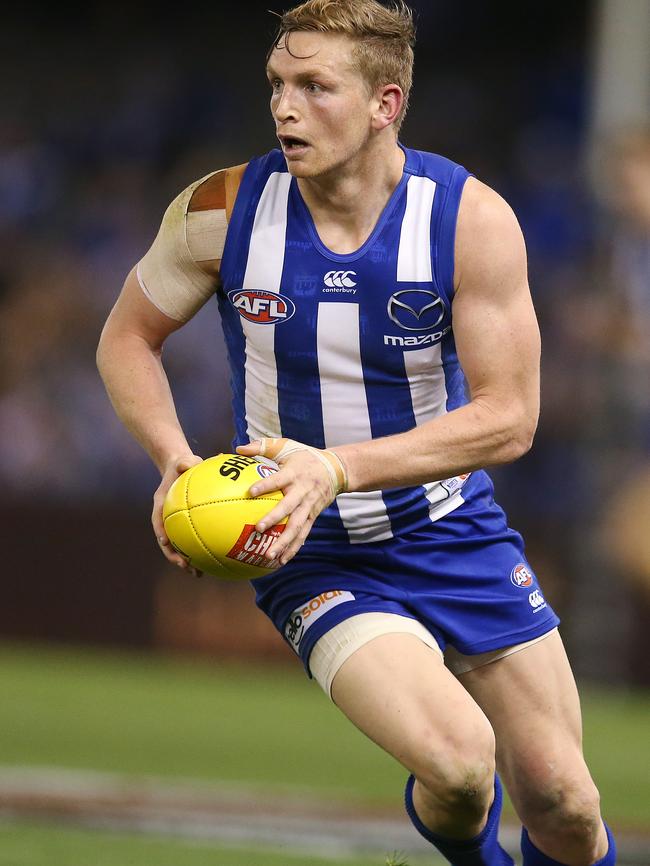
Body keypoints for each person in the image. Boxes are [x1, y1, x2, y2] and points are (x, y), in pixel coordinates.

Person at [96, 2, 616, 864]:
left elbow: (510, 419)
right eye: (276, 84)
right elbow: (126, 336)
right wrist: (173, 460)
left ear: (386, 103)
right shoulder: (222, 211)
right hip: (315, 554)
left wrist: (333, 468)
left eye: (314, 87)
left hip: (454, 533)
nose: (285, 107)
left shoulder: (466, 221)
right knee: (457, 766)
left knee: (563, 799)